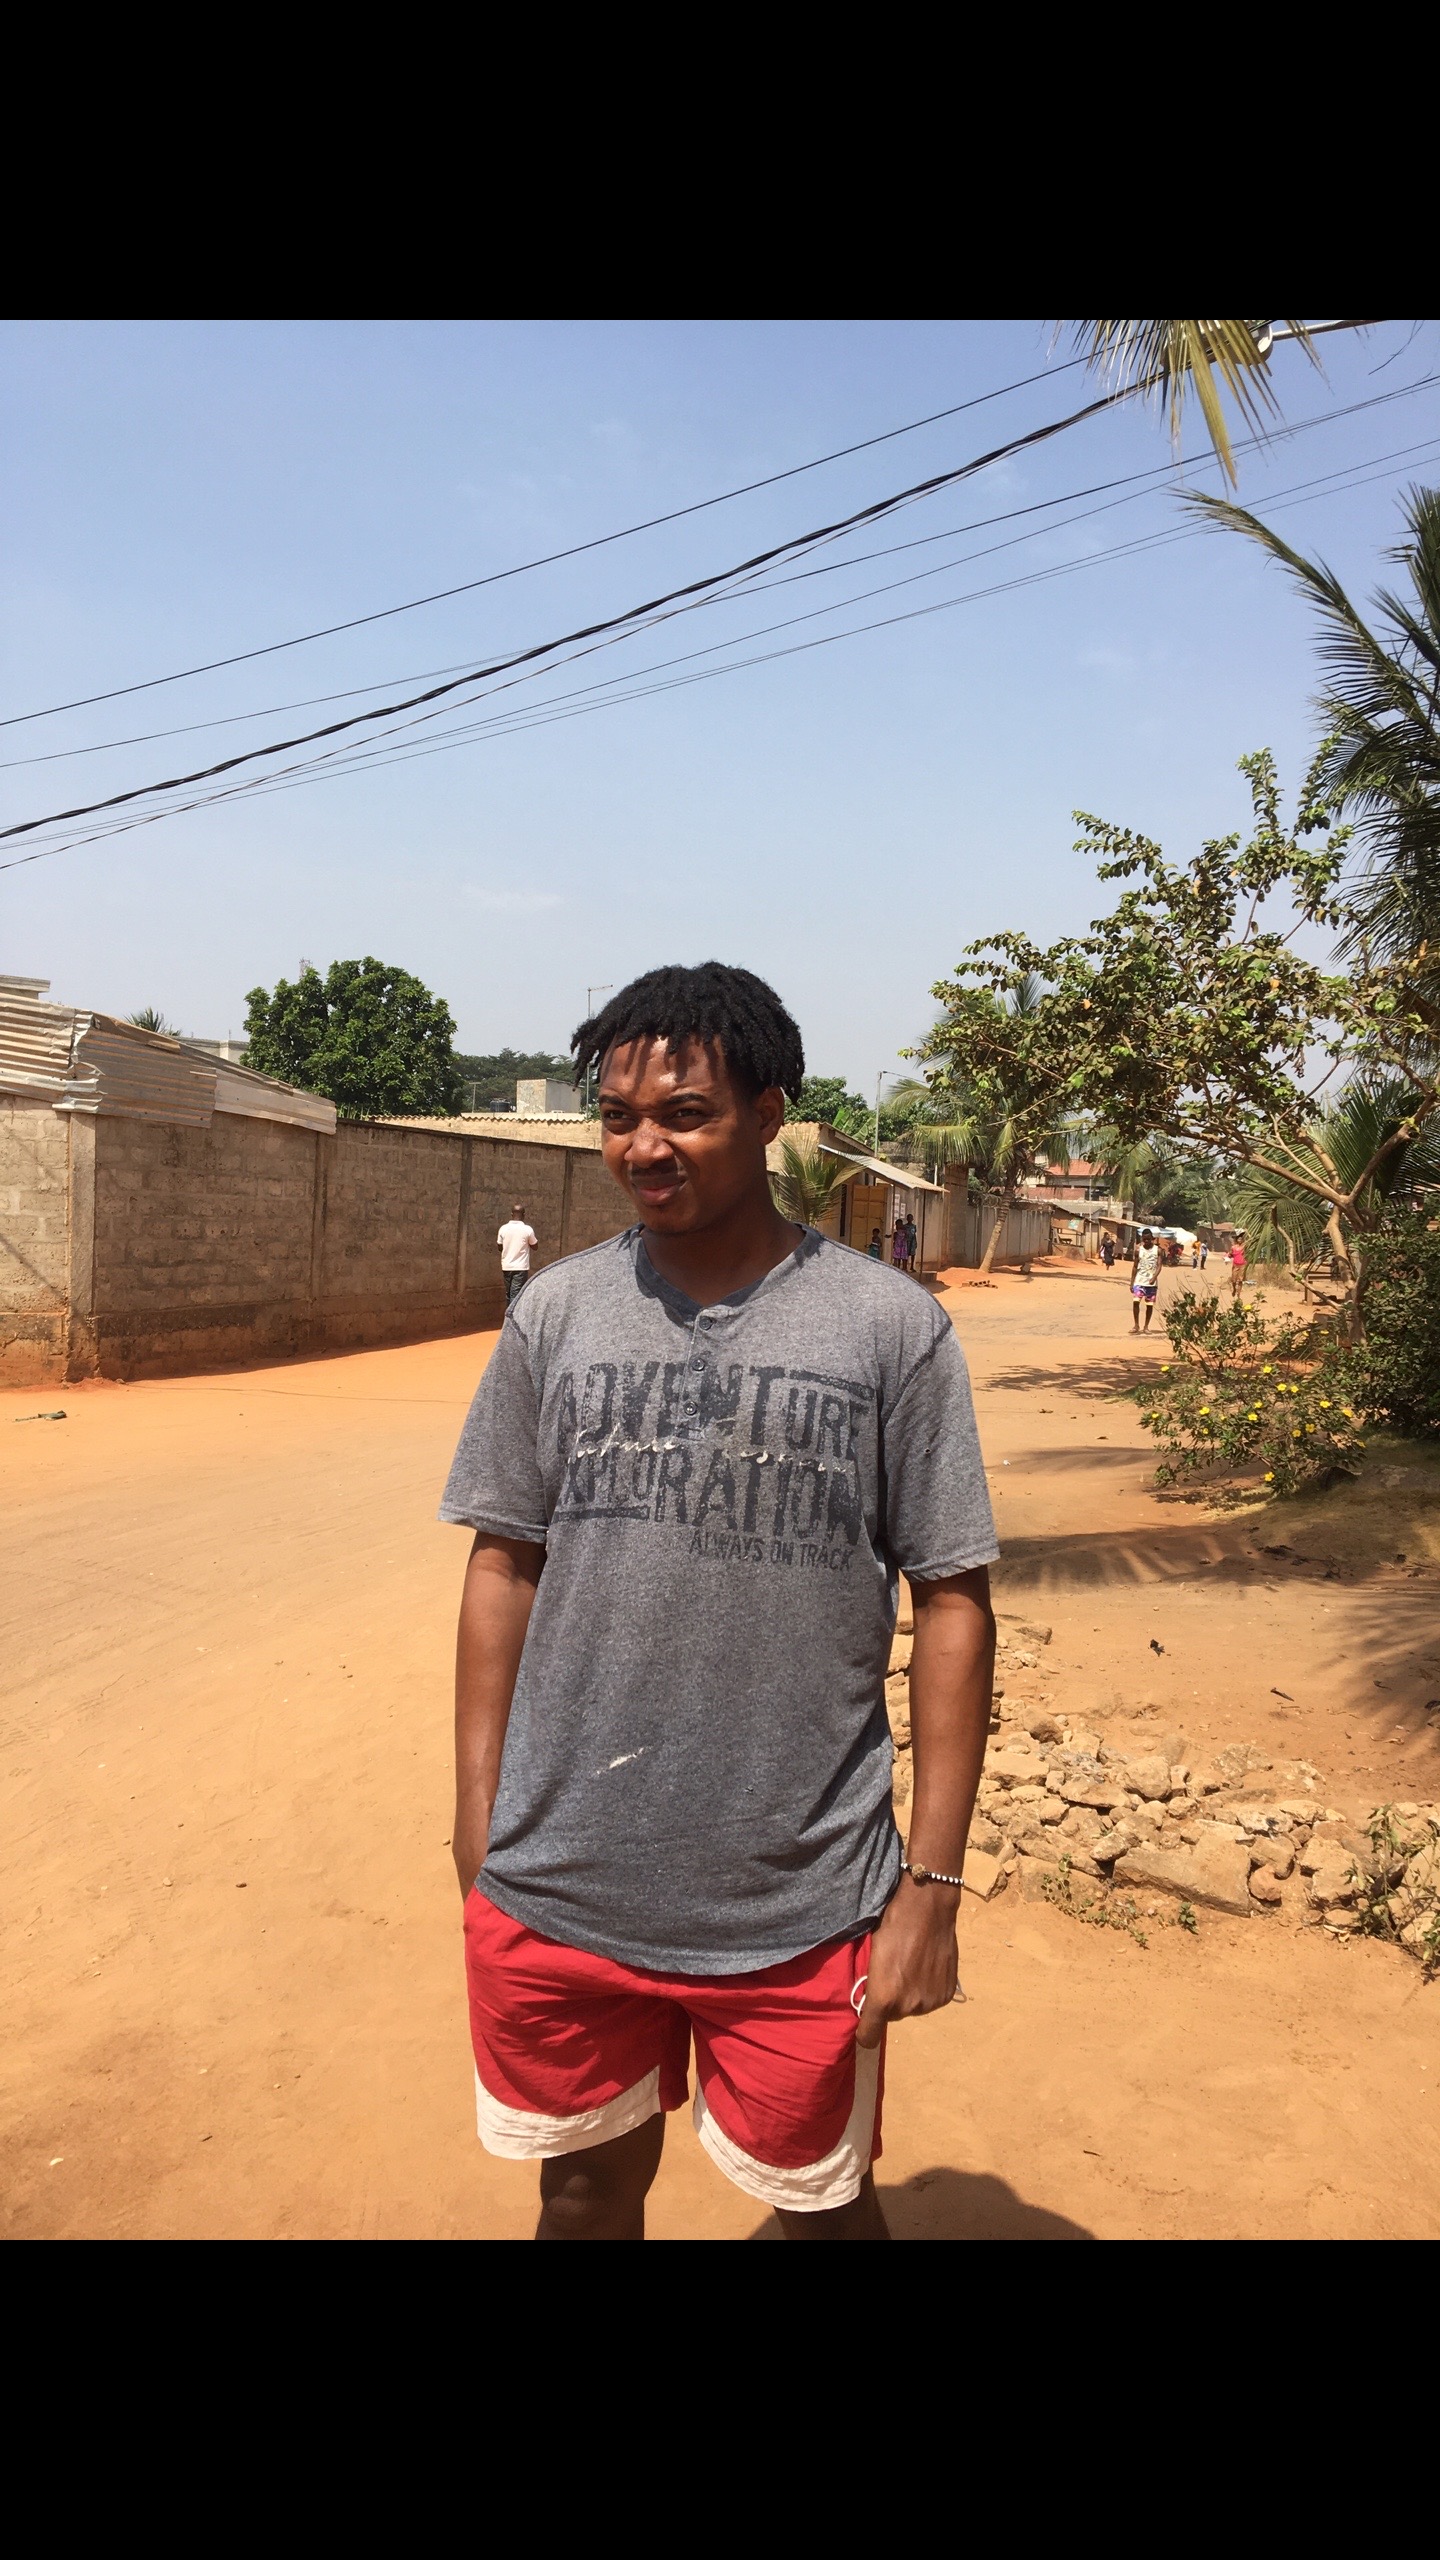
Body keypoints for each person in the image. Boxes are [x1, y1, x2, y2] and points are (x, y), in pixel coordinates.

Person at [441, 961, 997, 2241]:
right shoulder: (556, 1314)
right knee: (581, 2193)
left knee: (824, 2208)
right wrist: (476, 1819)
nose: (645, 1146)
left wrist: (932, 1883)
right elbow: (502, 1563)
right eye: (618, 1115)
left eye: (685, 1113)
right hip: (561, 1882)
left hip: (801, 1897)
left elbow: (953, 1601)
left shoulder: (888, 1327)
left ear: (768, 1115)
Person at [497, 1204, 538, 1307]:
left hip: (506, 1266)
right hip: (520, 1267)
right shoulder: (527, 1229)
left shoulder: (503, 1229)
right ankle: (512, 1316)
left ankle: (508, 1315)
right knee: (515, 1295)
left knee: (509, 1294)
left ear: (511, 1214)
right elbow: (535, 1246)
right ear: (524, 1215)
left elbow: (499, 1247)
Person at [1130, 1227, 1162, 1333]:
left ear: (1152, 1238)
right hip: (1139, 1281)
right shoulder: (1138, 1250)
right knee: (1136, 1302)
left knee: (1149, 1305)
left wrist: (1154, 1277)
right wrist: (1132, 1282)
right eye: (1144, 1239)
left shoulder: (1158, 1250)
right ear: (1142, 1239)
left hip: (1151, 1283)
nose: (1146, 1241)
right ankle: (1136, 1325)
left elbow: (1159, 1266)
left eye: (1148, 1239)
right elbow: (1135, 1266)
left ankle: (1146, 1326)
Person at [1229, 1234, 1247, 1300]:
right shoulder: (1233, 1247)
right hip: (1235, 1265)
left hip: (1242, 1265)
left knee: (1240, 1280)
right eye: (1239, 1239)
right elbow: (1230, 1254)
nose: (1240, 1240)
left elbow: (1250, 1241)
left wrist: (1247, 1233)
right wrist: (1227, 1257)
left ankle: (1239, 1294)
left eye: (1241, 1239)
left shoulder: (1244, 1246)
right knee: (1233, 1280)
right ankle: (1234, 1289)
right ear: (1236, 1240)